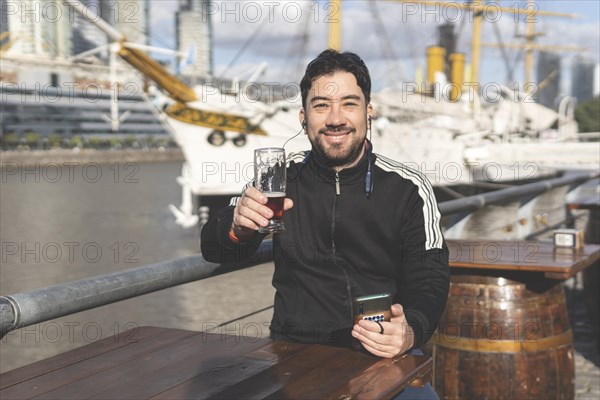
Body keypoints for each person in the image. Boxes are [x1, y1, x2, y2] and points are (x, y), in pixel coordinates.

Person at [201, 49, 450, 399]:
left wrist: (412, 330)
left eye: (349, 103)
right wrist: (236, 227)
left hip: (382, 354)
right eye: (321, 105)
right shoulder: (278, 177)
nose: (335, 118)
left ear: (369, 111)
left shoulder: (407, 187)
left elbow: (430, 275)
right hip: (292, 356)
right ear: (303, 118)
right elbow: (214, 249)